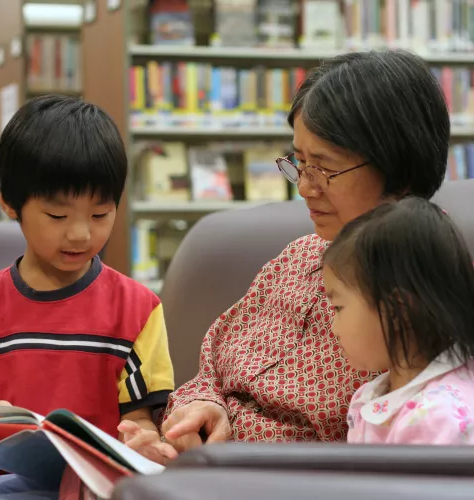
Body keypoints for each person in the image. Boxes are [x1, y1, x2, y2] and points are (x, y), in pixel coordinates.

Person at [157, 50, 451, 451]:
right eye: (299, 162)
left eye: (324, 167)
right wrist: (202, 409)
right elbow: (211, 367)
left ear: (397, 166)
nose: (305, 186)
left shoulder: (427, 286)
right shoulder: (298, 256)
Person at [0, 95, 176, 498]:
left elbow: (140, 420)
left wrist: (145, 439)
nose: (82, 234)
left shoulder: (138, 309)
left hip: (94, 489)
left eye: (100, 215)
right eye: (58, 216)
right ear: (10, 204)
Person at [323, 197, 474, 444]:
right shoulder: (371, 395)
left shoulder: (436, 418)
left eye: (338, 307)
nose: (333, 327)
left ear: (397, 310)